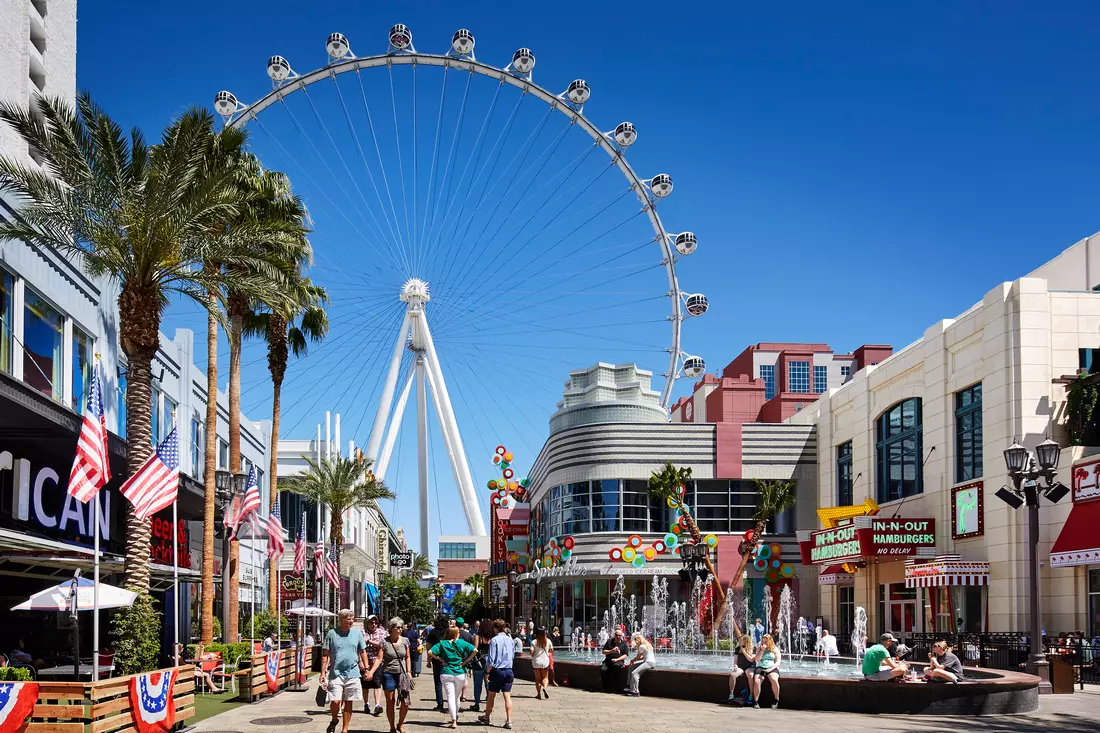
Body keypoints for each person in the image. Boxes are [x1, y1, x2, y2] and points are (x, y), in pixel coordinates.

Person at [320, 609, 370, 733]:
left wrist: (367, 668)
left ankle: (345, 729)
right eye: (348, 619)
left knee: (349, 701)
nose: (351, 621)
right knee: (335, 701)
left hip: (353, 672)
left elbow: (363, 652)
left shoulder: (357, 633)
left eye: (352, 619)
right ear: (341, 620)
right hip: (336, 673)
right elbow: (325, 654)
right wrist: (322, 673)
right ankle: (334, 719)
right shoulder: (332, 633)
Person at [369, 617, 412, 733]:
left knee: (405, 701)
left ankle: (400, 724)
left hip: (402, 674)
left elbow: (407, 657)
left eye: (401, 627)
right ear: (392, 628)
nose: (400, 629)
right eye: (398, 627)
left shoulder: (405, 641)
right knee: (390, 700)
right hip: (388, 673)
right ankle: (392, 727)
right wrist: (371, 672)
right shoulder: (385, 642)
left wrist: (409, 672)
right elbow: (379, 659)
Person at [429, 626, 478, 729]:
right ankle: (455, 715)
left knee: (450, 697)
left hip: (446, 672)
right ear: (456, 634)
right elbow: (475, 650)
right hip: (460, 672)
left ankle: (453, 720)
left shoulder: (442, 643)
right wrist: (466, 661)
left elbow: (430, 652)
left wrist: (440, 659)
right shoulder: (462, 643)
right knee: (456, 696)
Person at [478, 619, 514, 730]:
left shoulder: (494, 640)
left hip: (497, 671)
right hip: (509, 670)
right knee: (507, 696)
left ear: (496, 628)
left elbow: (492, 659)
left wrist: (488, 672)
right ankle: (508, 720)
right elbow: (512, 655)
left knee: (491, 695)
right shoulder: (510, 640)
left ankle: (487, 717)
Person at [363, 615, 386, 717]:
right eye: (371, 623)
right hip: (364, 663)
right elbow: (360, 645)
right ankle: (366, 703)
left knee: (377, 684)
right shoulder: (362, 632)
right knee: (365, 685)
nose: (373, 625)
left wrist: (369, 642)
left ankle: (377, 705)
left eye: (375, 623)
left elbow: (383, 644)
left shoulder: (382, 632)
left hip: (377, 662)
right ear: (367, 623)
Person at [750, 633, 781, 709]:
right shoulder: (759, 648)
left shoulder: (775, 649)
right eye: (763, 641)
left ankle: (776, 699)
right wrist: (762, 650)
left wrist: (771, 669)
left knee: (774, 680)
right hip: (760, 667)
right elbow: (757, 659)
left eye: (766, 641)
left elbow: (778, 662)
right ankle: (756, 701)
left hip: (772, 668)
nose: (764, 643)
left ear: (770, 641)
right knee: (757, 681)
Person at [469, 620, 493, 712]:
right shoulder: (492, 638)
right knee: (488, 682)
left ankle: (477, 703)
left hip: (480, 661)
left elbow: (475, 650)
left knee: (477, 683)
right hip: (489, 660)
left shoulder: (478, 636)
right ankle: (488, 704)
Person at [427, 616, 448, 712]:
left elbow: (428, 646)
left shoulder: (433, 632)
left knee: (438, 683)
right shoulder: (449, 631)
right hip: (449, 659)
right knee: (450, 682)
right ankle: (452, 704)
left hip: (437, 659)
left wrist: (428, 660)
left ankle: (440, 704)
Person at [727, 635, 755, 703]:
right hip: (741, 667)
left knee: (750, 675)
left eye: (741, 640)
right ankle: (731, 694)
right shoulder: (738, 648)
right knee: (732, 675)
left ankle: (751, 694)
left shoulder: (754, 648)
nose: (740, 641)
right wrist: (735, 666)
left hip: (750, 667)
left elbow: (751, 660)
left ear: (746, 641)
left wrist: (744, 651)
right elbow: (735, 660)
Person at [625, 633, 655, 697]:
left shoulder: (642, 646)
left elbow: (639, 657)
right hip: (651, 662)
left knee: (634, 673)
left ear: (637, 640)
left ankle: (635, 692)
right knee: (631, 667)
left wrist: (633, 660)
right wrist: (634, 661)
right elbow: (642, 657)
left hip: (648, 663)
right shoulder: (648, 645)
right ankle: (629, 685)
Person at [529, 627, 553, 699]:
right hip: (545, 661)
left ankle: (539, 694)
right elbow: (551, 650)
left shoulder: (534, 642)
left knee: (537, 679)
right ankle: (544, 688)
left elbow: (531, 653)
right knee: (545, 678)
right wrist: (548, 654)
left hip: (536, 662)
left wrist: (534, 654)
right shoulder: (548, 641)